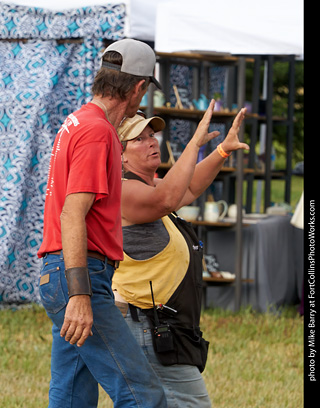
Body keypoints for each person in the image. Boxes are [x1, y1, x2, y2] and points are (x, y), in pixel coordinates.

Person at [37, 39, 167, 408]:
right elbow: (72, 213)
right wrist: (80, 294)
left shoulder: (77, 121)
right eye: (144, 92)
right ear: (139, 87)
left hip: (61, 271)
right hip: (79, 274)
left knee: (72, 395)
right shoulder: (98, 132)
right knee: (144, 396)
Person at [112, 100, 249, 407]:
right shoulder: (122, 190)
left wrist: (221, 152)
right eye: (139, 139)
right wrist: (195, 142)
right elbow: (170, 197)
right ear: (119, 155)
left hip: (163, 327)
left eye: (152, 136)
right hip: (149, 327)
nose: (151, 142)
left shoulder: (153, 188)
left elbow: (187, 189)